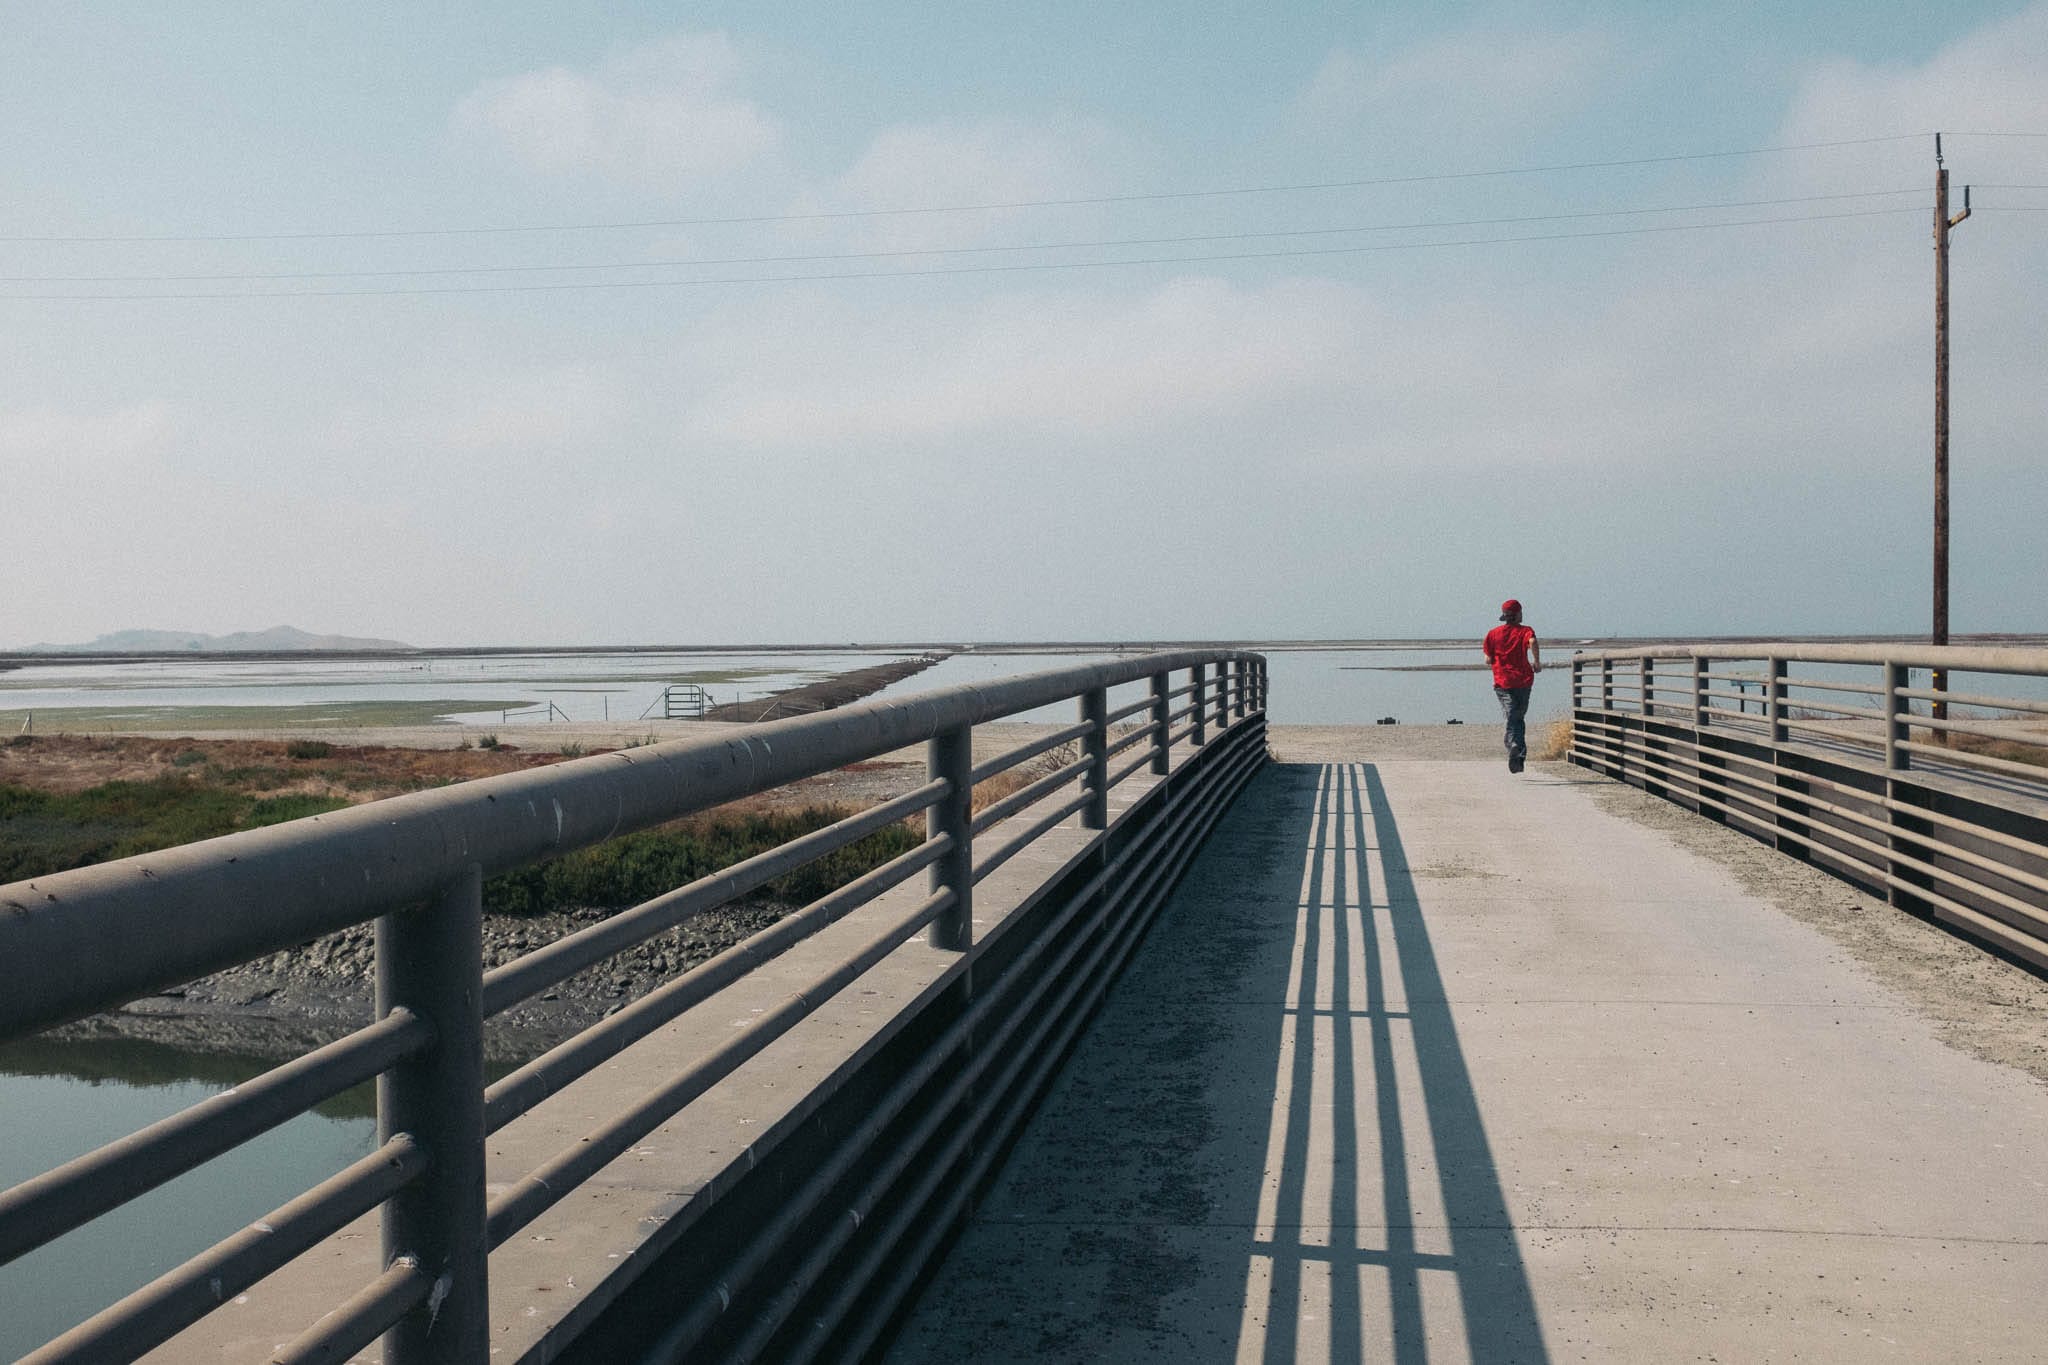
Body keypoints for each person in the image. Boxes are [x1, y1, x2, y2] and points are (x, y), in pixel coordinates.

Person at [1483, 599, 1542, 773]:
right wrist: (1537, 662)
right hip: (1523, 680)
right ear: (1517, 615)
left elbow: (1487, 659)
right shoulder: (1525, 631)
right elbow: (1532, 642)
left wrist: (1495, 659)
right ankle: (1519, 755)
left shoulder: (1493, 634)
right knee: (1517, 716)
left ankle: (1514, 747)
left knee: (1512, 715)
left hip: (1503, 681)